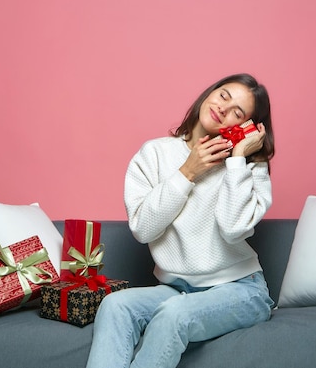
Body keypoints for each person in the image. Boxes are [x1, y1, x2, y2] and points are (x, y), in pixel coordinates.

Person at [86, 73, 276, 368]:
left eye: (238, 113)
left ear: (246, 127)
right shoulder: (155, 153)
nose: (224, 109)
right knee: (115, 305)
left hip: (242, 290)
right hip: (177, 289)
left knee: (176, 315)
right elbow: (142, 228)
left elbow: (232, 228)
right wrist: (188, 172)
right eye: (224, 95)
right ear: (210, 92)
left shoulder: (249, 168)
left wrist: (238, 157)